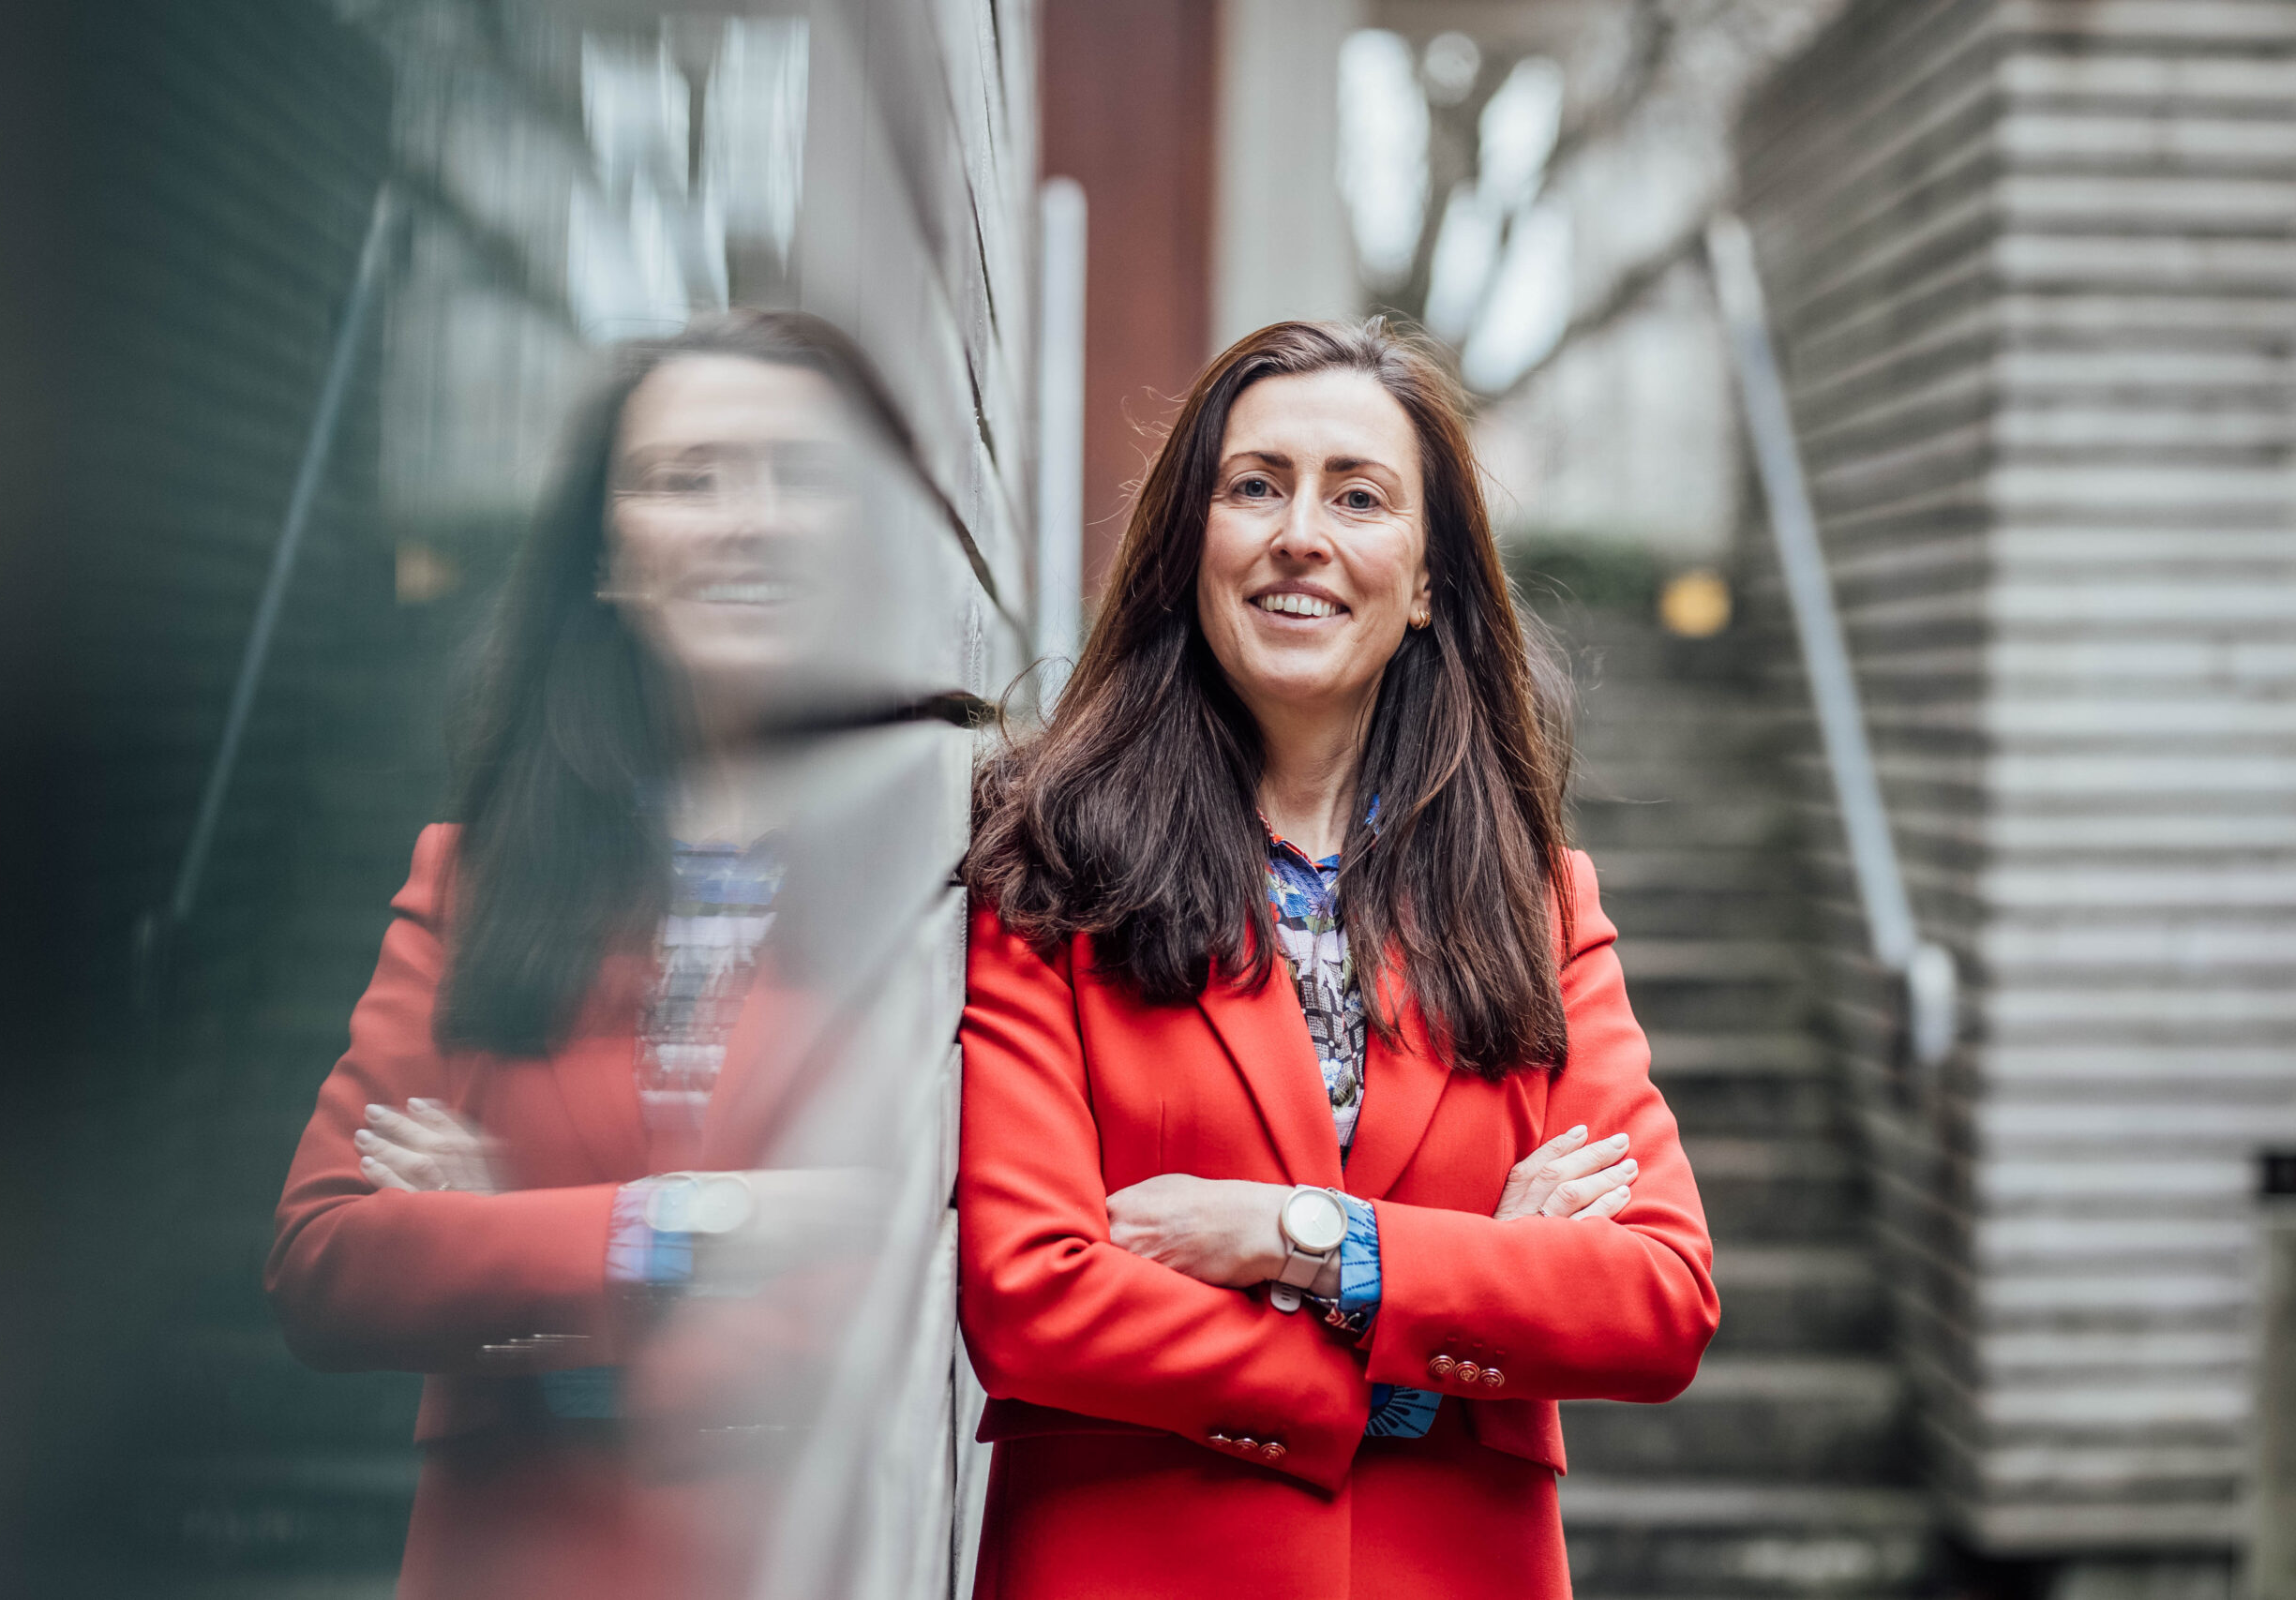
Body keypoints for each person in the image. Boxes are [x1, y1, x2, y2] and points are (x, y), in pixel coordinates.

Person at [957, 319, 1718, 1599]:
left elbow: (1655, 1295)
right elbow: (1030, 1295)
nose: (1298, 532)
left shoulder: (1532, 905)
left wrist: (1303, 1238)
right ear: (1190, 548)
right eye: (1254, 486)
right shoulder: (1053, 866)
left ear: (1427, 582)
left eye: (1358, 496)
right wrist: (1437, 1328)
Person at [266, 310, 934, 1600]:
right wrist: (697, 1223)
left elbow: (949, 1266)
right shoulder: (476, 877)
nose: (749, 520)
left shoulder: (970, 879)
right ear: (612, 560)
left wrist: (516, 1256)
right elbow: (326, 1265)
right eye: (689, 479)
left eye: (800, 478)